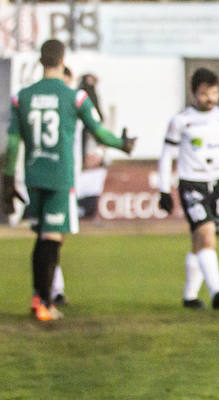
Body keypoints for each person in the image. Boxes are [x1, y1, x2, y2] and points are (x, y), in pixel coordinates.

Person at [2, 39, 135, 321]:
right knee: (52, 238)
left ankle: (40, 298)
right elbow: (99, 133)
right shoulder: (74, 97)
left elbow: (12, 144)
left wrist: (7, 179)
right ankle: (43, 302)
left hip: (33, 174)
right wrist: (122, 144)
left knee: (43, 236)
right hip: (60, 175)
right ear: (63, 60)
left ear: (41, 61)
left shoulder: (21, 97)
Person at [157, 68, 219, 311]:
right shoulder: (181, 120)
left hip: (217, 185)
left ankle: (190, 296)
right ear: (193, 93)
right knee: (207, 234)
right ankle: (217, 291)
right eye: (203, 94)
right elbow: (167, 155)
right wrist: (164, 189)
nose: (209, 98)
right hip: (191, 184)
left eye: (214, 93)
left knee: (199, 241)